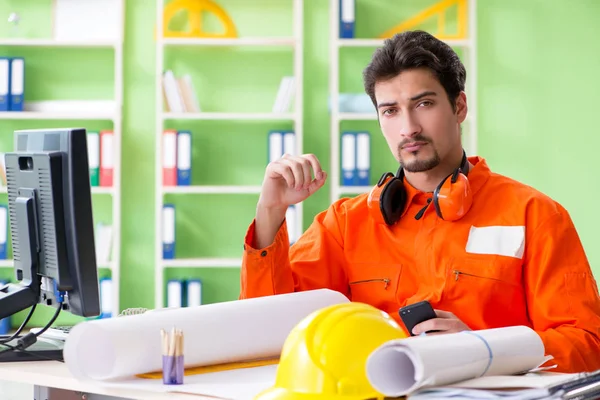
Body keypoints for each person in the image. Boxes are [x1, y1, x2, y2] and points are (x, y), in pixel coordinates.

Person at [239, 30, 600, 373]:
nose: (408, 127)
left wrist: (485, 349)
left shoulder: (534, 215)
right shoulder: (345, 225)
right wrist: (271, 211)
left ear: (459, 106)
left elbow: (586, 344)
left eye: (423, 103)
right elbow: (269, 331)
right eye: (390, 110)